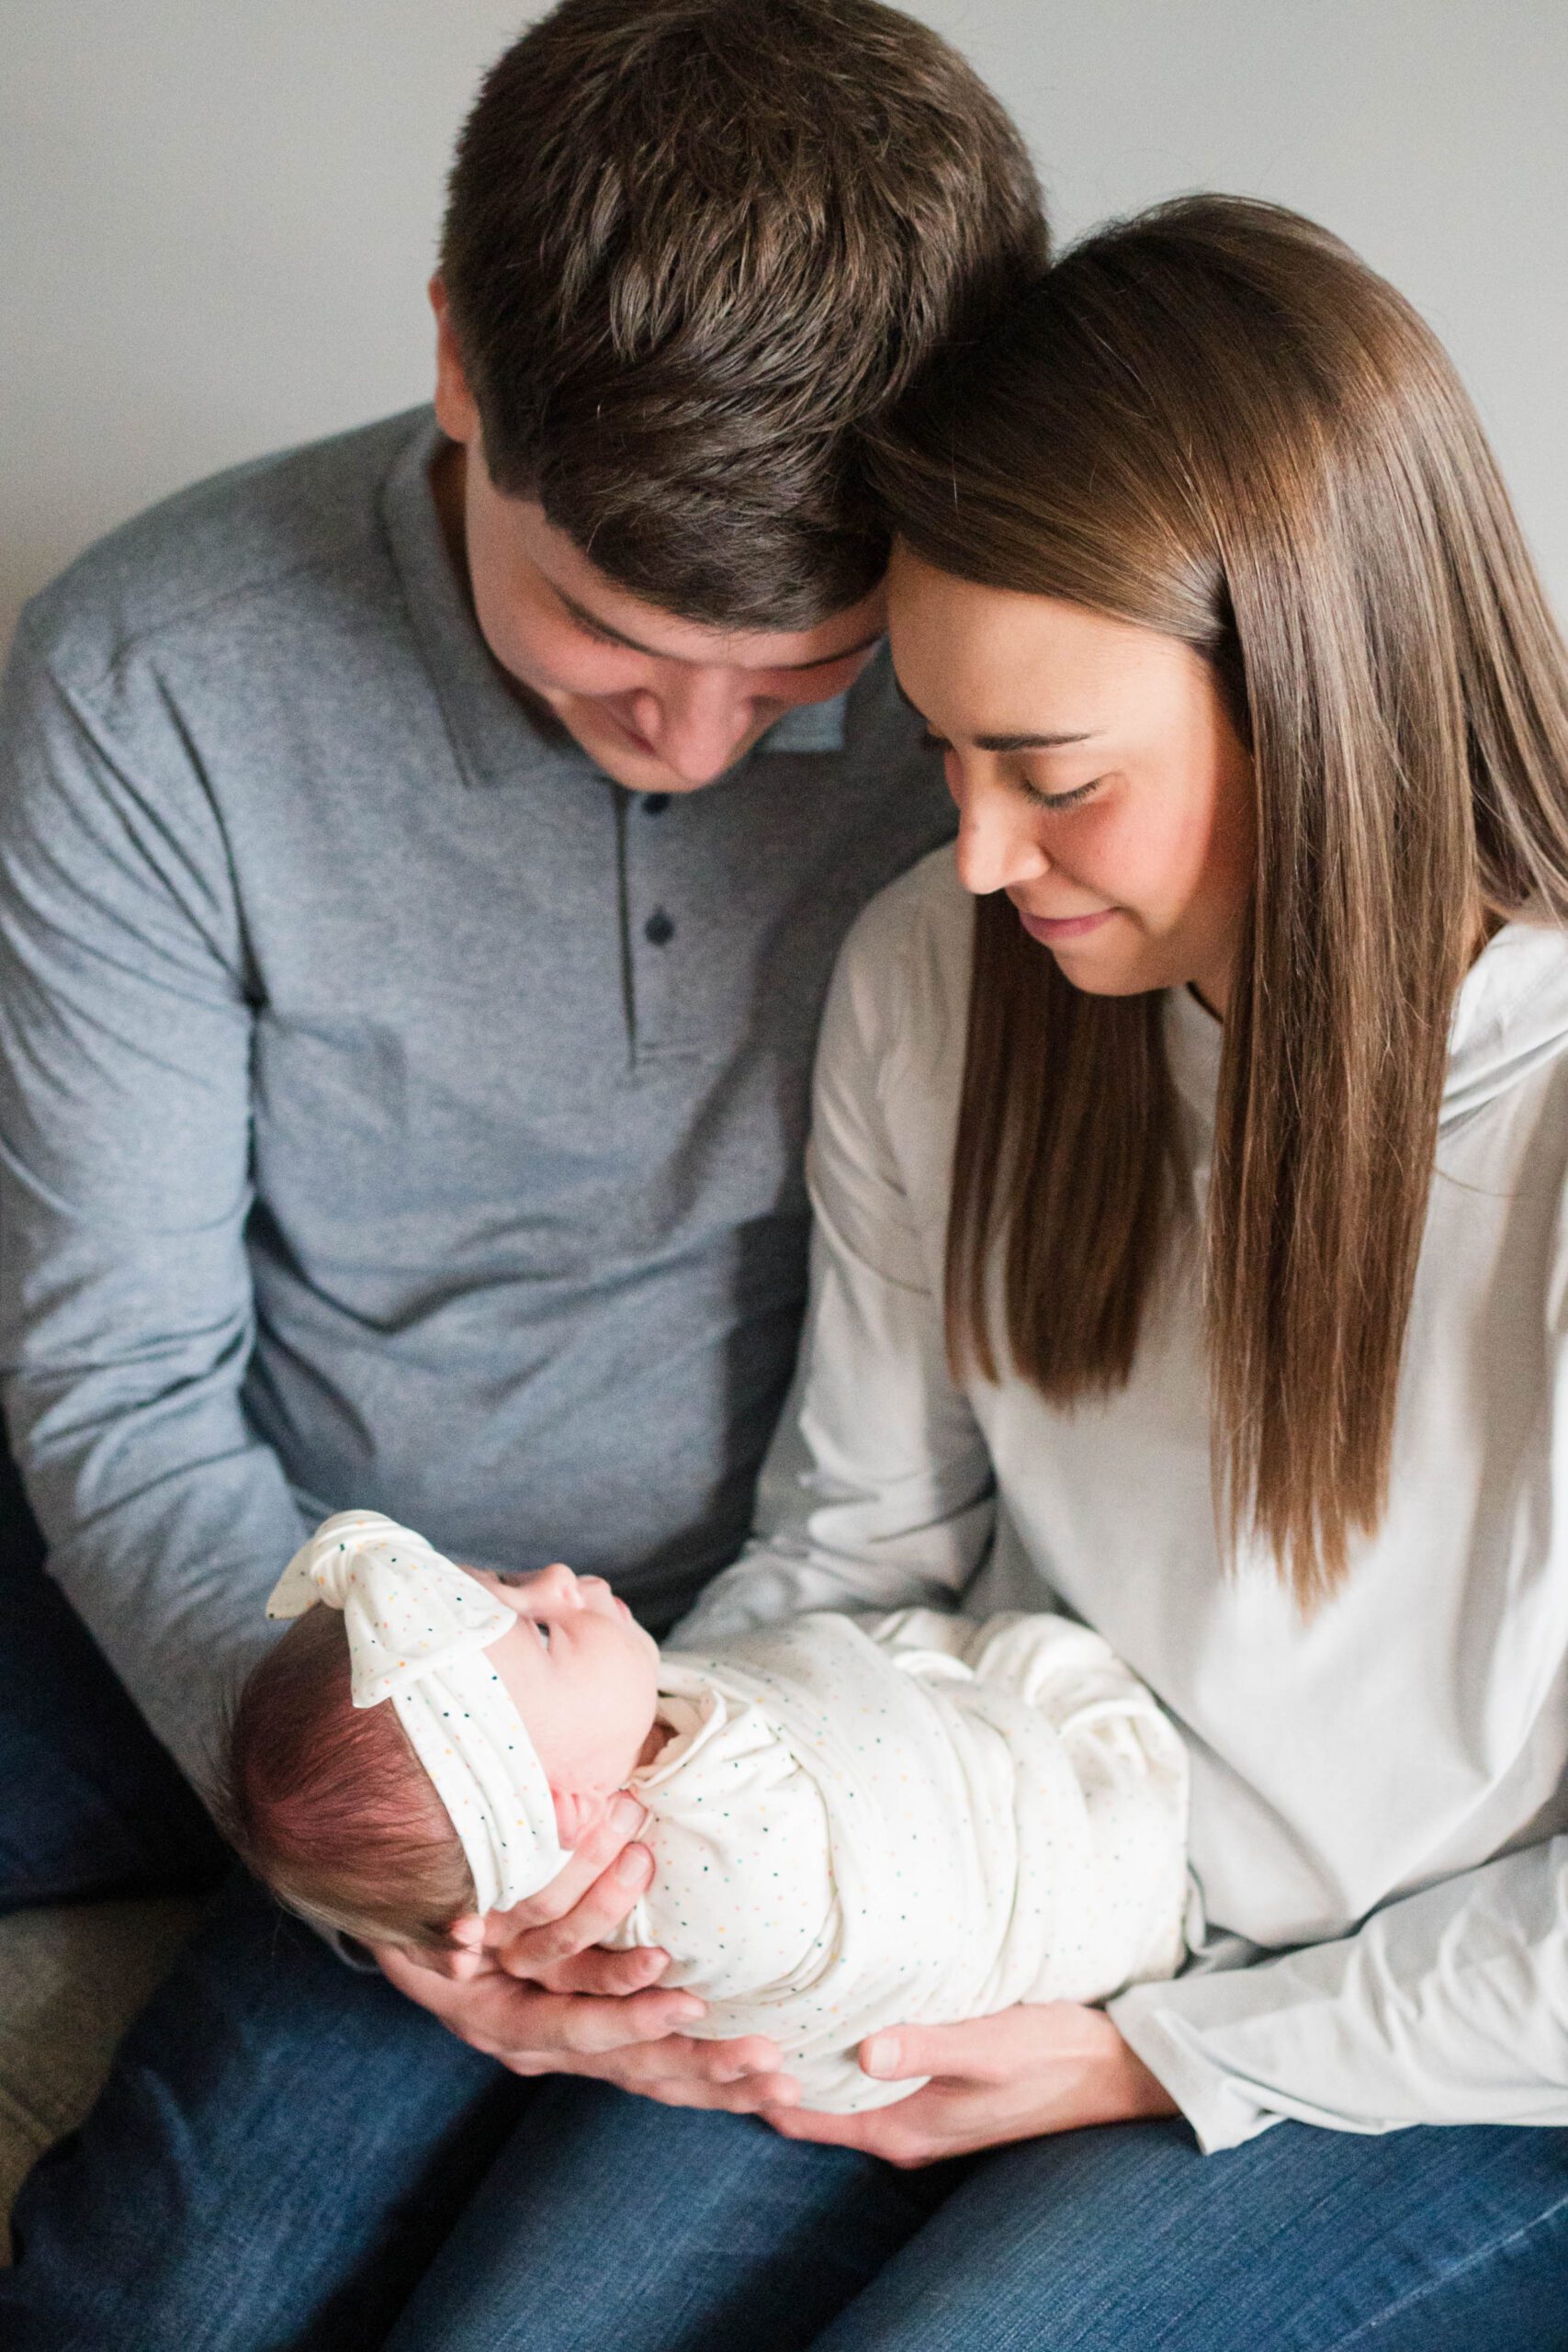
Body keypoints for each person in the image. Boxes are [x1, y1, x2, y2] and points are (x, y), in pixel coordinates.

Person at [367, 198, 1568, 2351]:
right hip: (999, 1873)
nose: (983, 847)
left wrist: (1161, 2054)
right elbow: (859, 1535)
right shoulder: (941, 971)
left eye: (1056, 772)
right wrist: (634, 1823)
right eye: (940, 747)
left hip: (1435, 2043)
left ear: (1320, 694)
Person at [0, 2, 1046, 2340]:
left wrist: (608, 1824)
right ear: (460, 359)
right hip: (285, 1573)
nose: (691, 742)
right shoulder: (155, 677)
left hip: (745, 1647)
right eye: (602, 634)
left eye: (795, 673)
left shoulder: (1002, 725)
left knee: (189, 2274)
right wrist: (416, 1869)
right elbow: (124, 1383)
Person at [221, 1511, 1188, 2109]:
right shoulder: (721, 1872)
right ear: (559, 1809)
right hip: (1066, 1898)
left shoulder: (606, 1767)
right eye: (546, 1627)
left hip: (958, 1774)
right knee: (1054, 1683)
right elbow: (904, 1889)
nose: (558, 1577)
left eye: (512, 1582)